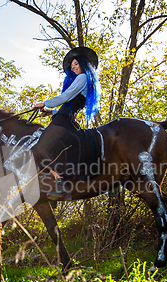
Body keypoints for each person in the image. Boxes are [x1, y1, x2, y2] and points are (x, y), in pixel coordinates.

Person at [33, 47, 101, 200]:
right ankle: (56, 183)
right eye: (71, 64)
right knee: (46, 150)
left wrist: (44, 103)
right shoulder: (83, 80)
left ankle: (59, 182)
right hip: (64, 119)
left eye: (76, 63)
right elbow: (70, 106)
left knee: (40, 149)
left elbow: (66, 96)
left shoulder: (83, 77)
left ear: (83, 64)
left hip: (63, 122)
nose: (72, 66)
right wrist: (51, 112)